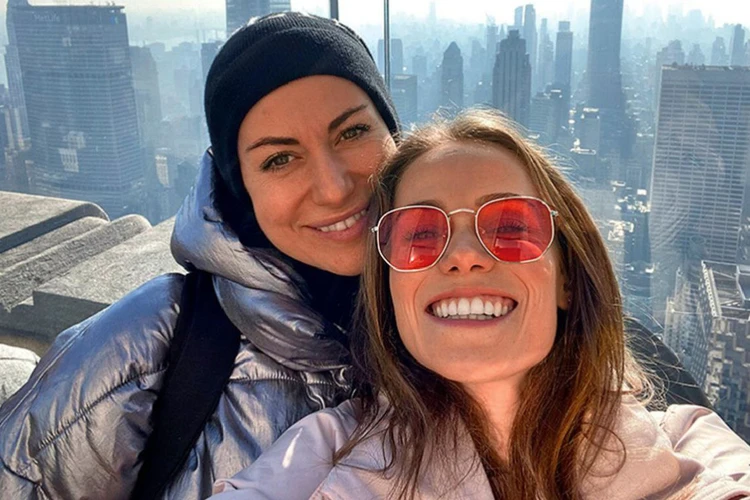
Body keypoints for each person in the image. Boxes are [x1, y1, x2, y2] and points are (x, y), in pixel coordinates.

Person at [211, 109, 750, 500]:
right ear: (390, 292)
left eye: (511, 227)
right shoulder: (317, 456)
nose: (464, 256)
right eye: (420, 235)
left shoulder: (693, 445)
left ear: (566, 278)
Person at [0, 13, 399, 499]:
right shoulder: (152, 341)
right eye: (279, 159)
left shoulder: (456, 310)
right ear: (239, 187)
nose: (334, 188)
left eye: (352, 132)